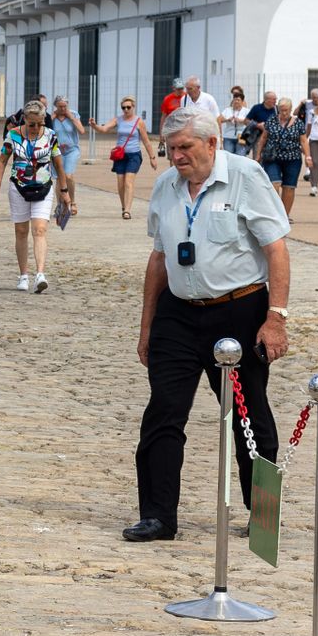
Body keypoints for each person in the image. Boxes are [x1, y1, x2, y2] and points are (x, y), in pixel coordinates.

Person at [125, 106, 287, 543]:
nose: (176, 156)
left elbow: (276, 251)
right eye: (170, 148)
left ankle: (265, 516)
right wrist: (147, 325)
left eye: (185, 148)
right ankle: (158, 515)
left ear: (212, 142)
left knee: (249, 414)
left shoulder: (246, 176)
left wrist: (276, 318)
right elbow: (159, 258)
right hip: (178, 313)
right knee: (163, 411)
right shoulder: (165, 186)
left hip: (240, 309)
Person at [0, 101, 71, 292]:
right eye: (32, 124)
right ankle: (23, 274)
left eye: (40, 124)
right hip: (19, 187)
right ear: (25, 119)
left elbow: (58, 165)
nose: (35, 128)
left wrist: (64, 192)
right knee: (21, 231)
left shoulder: (50, 136)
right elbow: (2, 162)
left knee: (40, 229)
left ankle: (40, 274)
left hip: (44, 187)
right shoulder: (13, 134)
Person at [89, 98, 156, 219]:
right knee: (120, 183)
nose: (126, 110)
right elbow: (104, 129)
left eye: (128, 107)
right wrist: (94, 126)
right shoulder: (118, 119)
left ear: (133, 107)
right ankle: (124, 207)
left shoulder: (139, 121)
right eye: (123, 107)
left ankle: (128, 210)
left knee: (128, 182)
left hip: (134, 155)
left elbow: (146, 141)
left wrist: (152, 157)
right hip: (120, 155)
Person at [252, 97, 304, 218]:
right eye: (281, 110)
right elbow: (263, 138)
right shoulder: (271, 121)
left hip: (293, 158)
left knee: (289, 188)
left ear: (291, 109)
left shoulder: (298, 123)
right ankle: (275, 212)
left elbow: (303, 141)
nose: (284, 113)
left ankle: (285, 216)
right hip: (272, 158)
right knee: (274, 184)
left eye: (286, 110)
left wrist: (308, 157)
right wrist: (258, 154)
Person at [48, 96, 84, 212]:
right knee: (59, 178)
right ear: (56, 107)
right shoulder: (51, 117)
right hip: (57, 150)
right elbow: (44, 130)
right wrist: (52, 118)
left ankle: (72, 202)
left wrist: (71, 117)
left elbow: (82, 131)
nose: (63, 109)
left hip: (71, 150)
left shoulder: (73, 114)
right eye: (60, 107)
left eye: (65, 106)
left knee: (68, 176)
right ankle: (60, 204)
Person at [219, 87, 250, 156]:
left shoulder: (246, 111)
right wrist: (227, 119)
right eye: (235, 100)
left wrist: (241, 120)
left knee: (240, 157)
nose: (236, 101)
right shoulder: (227, 110)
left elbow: (250, 122)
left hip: (242, 136)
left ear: (242, 102)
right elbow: (219, 120)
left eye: (238, 100)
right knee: (229, 156)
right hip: (228, 136)